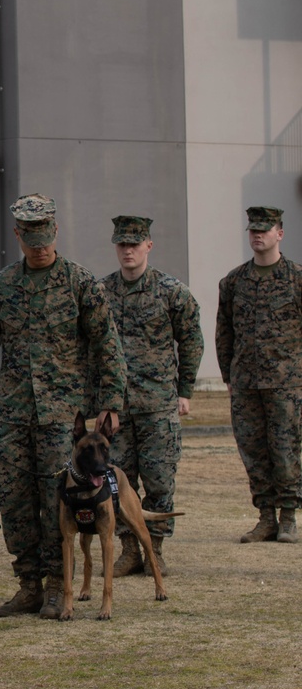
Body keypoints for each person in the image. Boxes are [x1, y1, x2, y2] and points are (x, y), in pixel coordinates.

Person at [0, 193, 127, 620]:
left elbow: (107, 344)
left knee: (59, 501)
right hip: (12, 413)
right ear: (18, 235)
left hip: (62, 416)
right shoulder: (0, 287)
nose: (40, 246)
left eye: (46, 237)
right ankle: (28, 585)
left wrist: (111, 402)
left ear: (56, 232)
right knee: (12, 498)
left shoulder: (80, 283)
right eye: (31, 238)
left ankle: (59, 586)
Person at [99, 215, 203, 576]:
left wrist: (184, 390)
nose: (127, 250)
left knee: (160, 479)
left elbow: (191, 339)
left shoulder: (171, 291)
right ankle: (129, 550)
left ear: (148, 246)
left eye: (134, 243)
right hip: (116, 410)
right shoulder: (100, 293)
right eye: (121, 244)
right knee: (118, 480)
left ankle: (154, 548)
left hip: (158, 405)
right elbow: (88, 346)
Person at [216, 205, 302, 544]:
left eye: (264, 230)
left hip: (287, 383)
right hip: (245, 383)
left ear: (279, 234)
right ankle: (265, 517)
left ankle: (289, 517)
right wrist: (228, 375)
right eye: (253, 230)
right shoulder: (235, 281)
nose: (257, 235)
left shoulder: (296, 279)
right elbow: (225, 331)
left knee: (285, 449)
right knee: (252, 450)